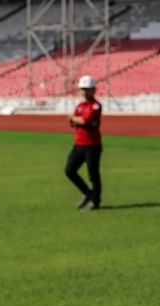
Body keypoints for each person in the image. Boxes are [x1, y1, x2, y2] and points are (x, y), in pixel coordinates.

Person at [65, 74, 103, 210]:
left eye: (87, 89)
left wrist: (74, 119)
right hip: (79, 144)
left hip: (92, 145)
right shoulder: (80, 106)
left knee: (93, 175)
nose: (84, 92)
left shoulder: (95, 106)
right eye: (82, 89)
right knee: (69, 170)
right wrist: (76, 120)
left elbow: (84, 121)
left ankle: (96, 201)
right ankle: (87, 193)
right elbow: (75, 122)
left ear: (93, 90)